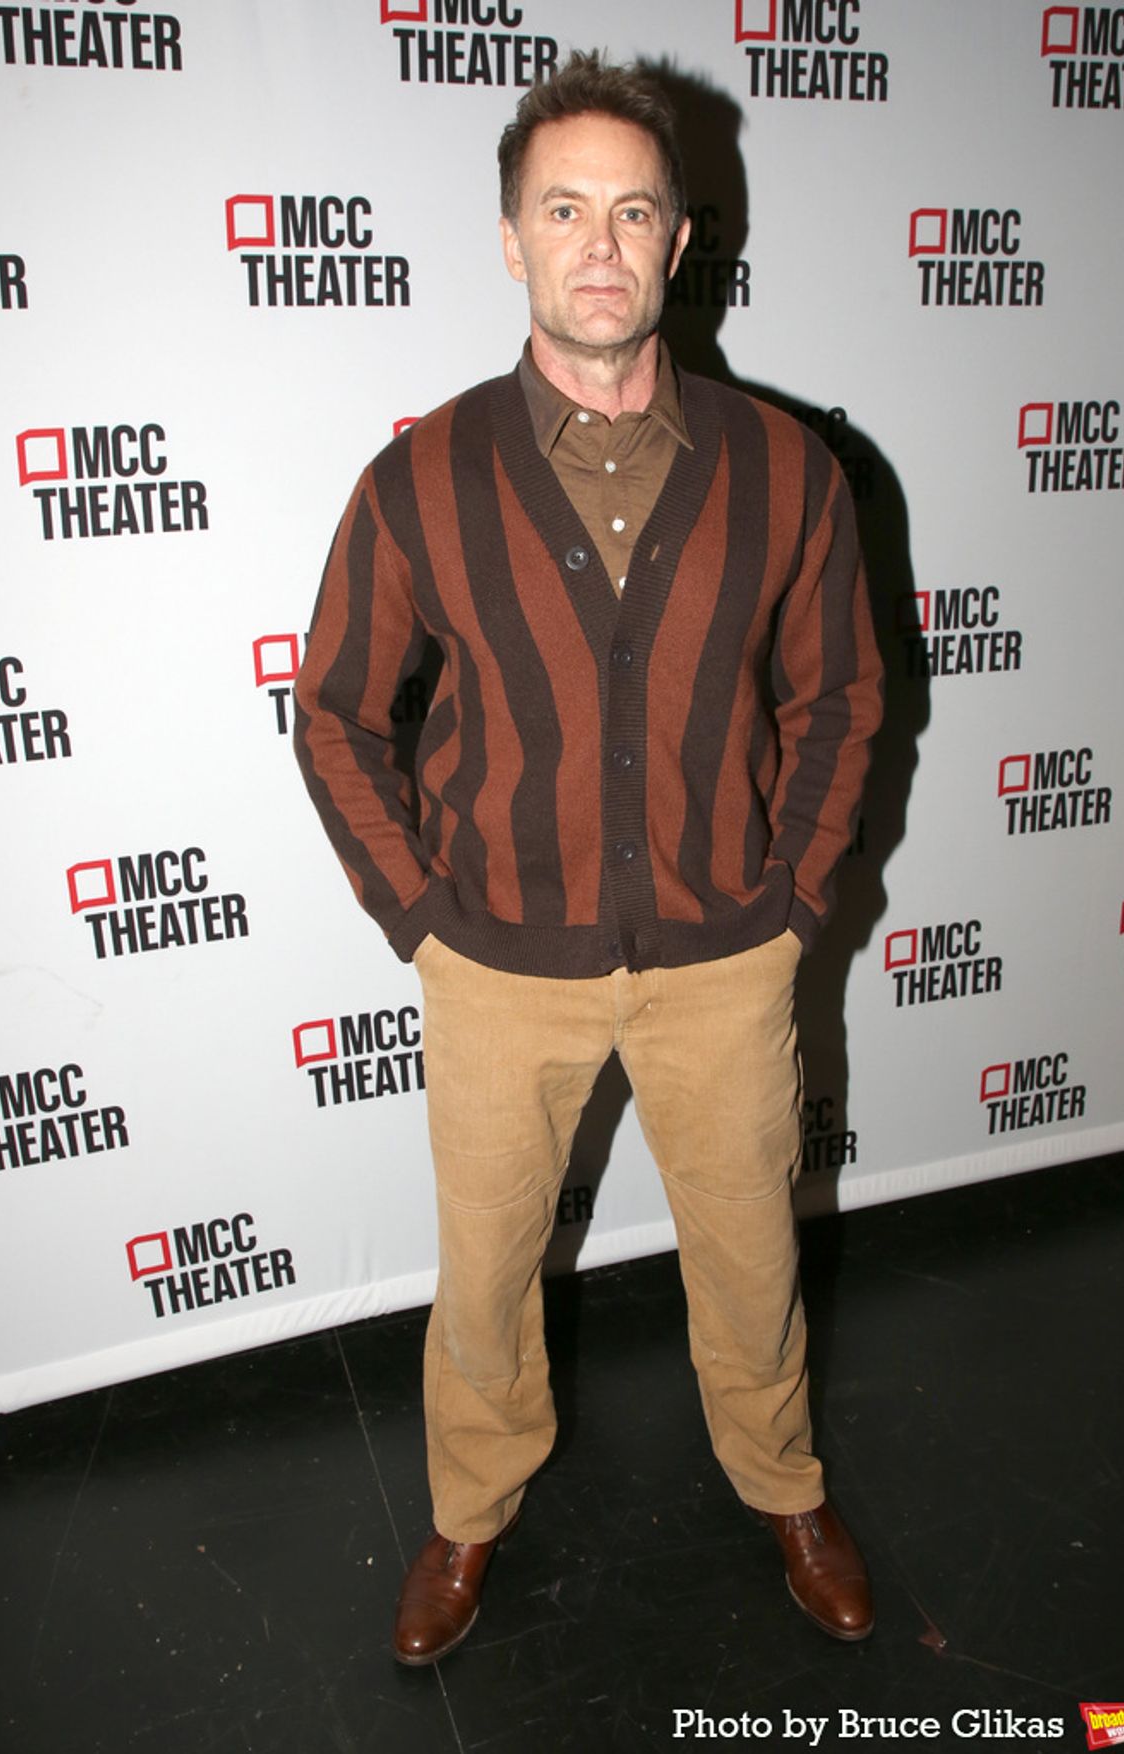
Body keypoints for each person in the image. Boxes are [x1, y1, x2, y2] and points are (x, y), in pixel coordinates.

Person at [294, 50, 883, 1665]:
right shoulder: (422, 477)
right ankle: (470, 1514)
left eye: (635, 208)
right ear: (512, 241)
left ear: (682, 239)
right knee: (484, 1276)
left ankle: (784, 1485)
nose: (602, 243)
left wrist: (793, 898)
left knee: (755, 1254)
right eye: (566, 209)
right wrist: (422, 913)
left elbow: (841, 698)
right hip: (498, 967)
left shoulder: (786, 470)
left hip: (724, 960)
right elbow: (336, 709)